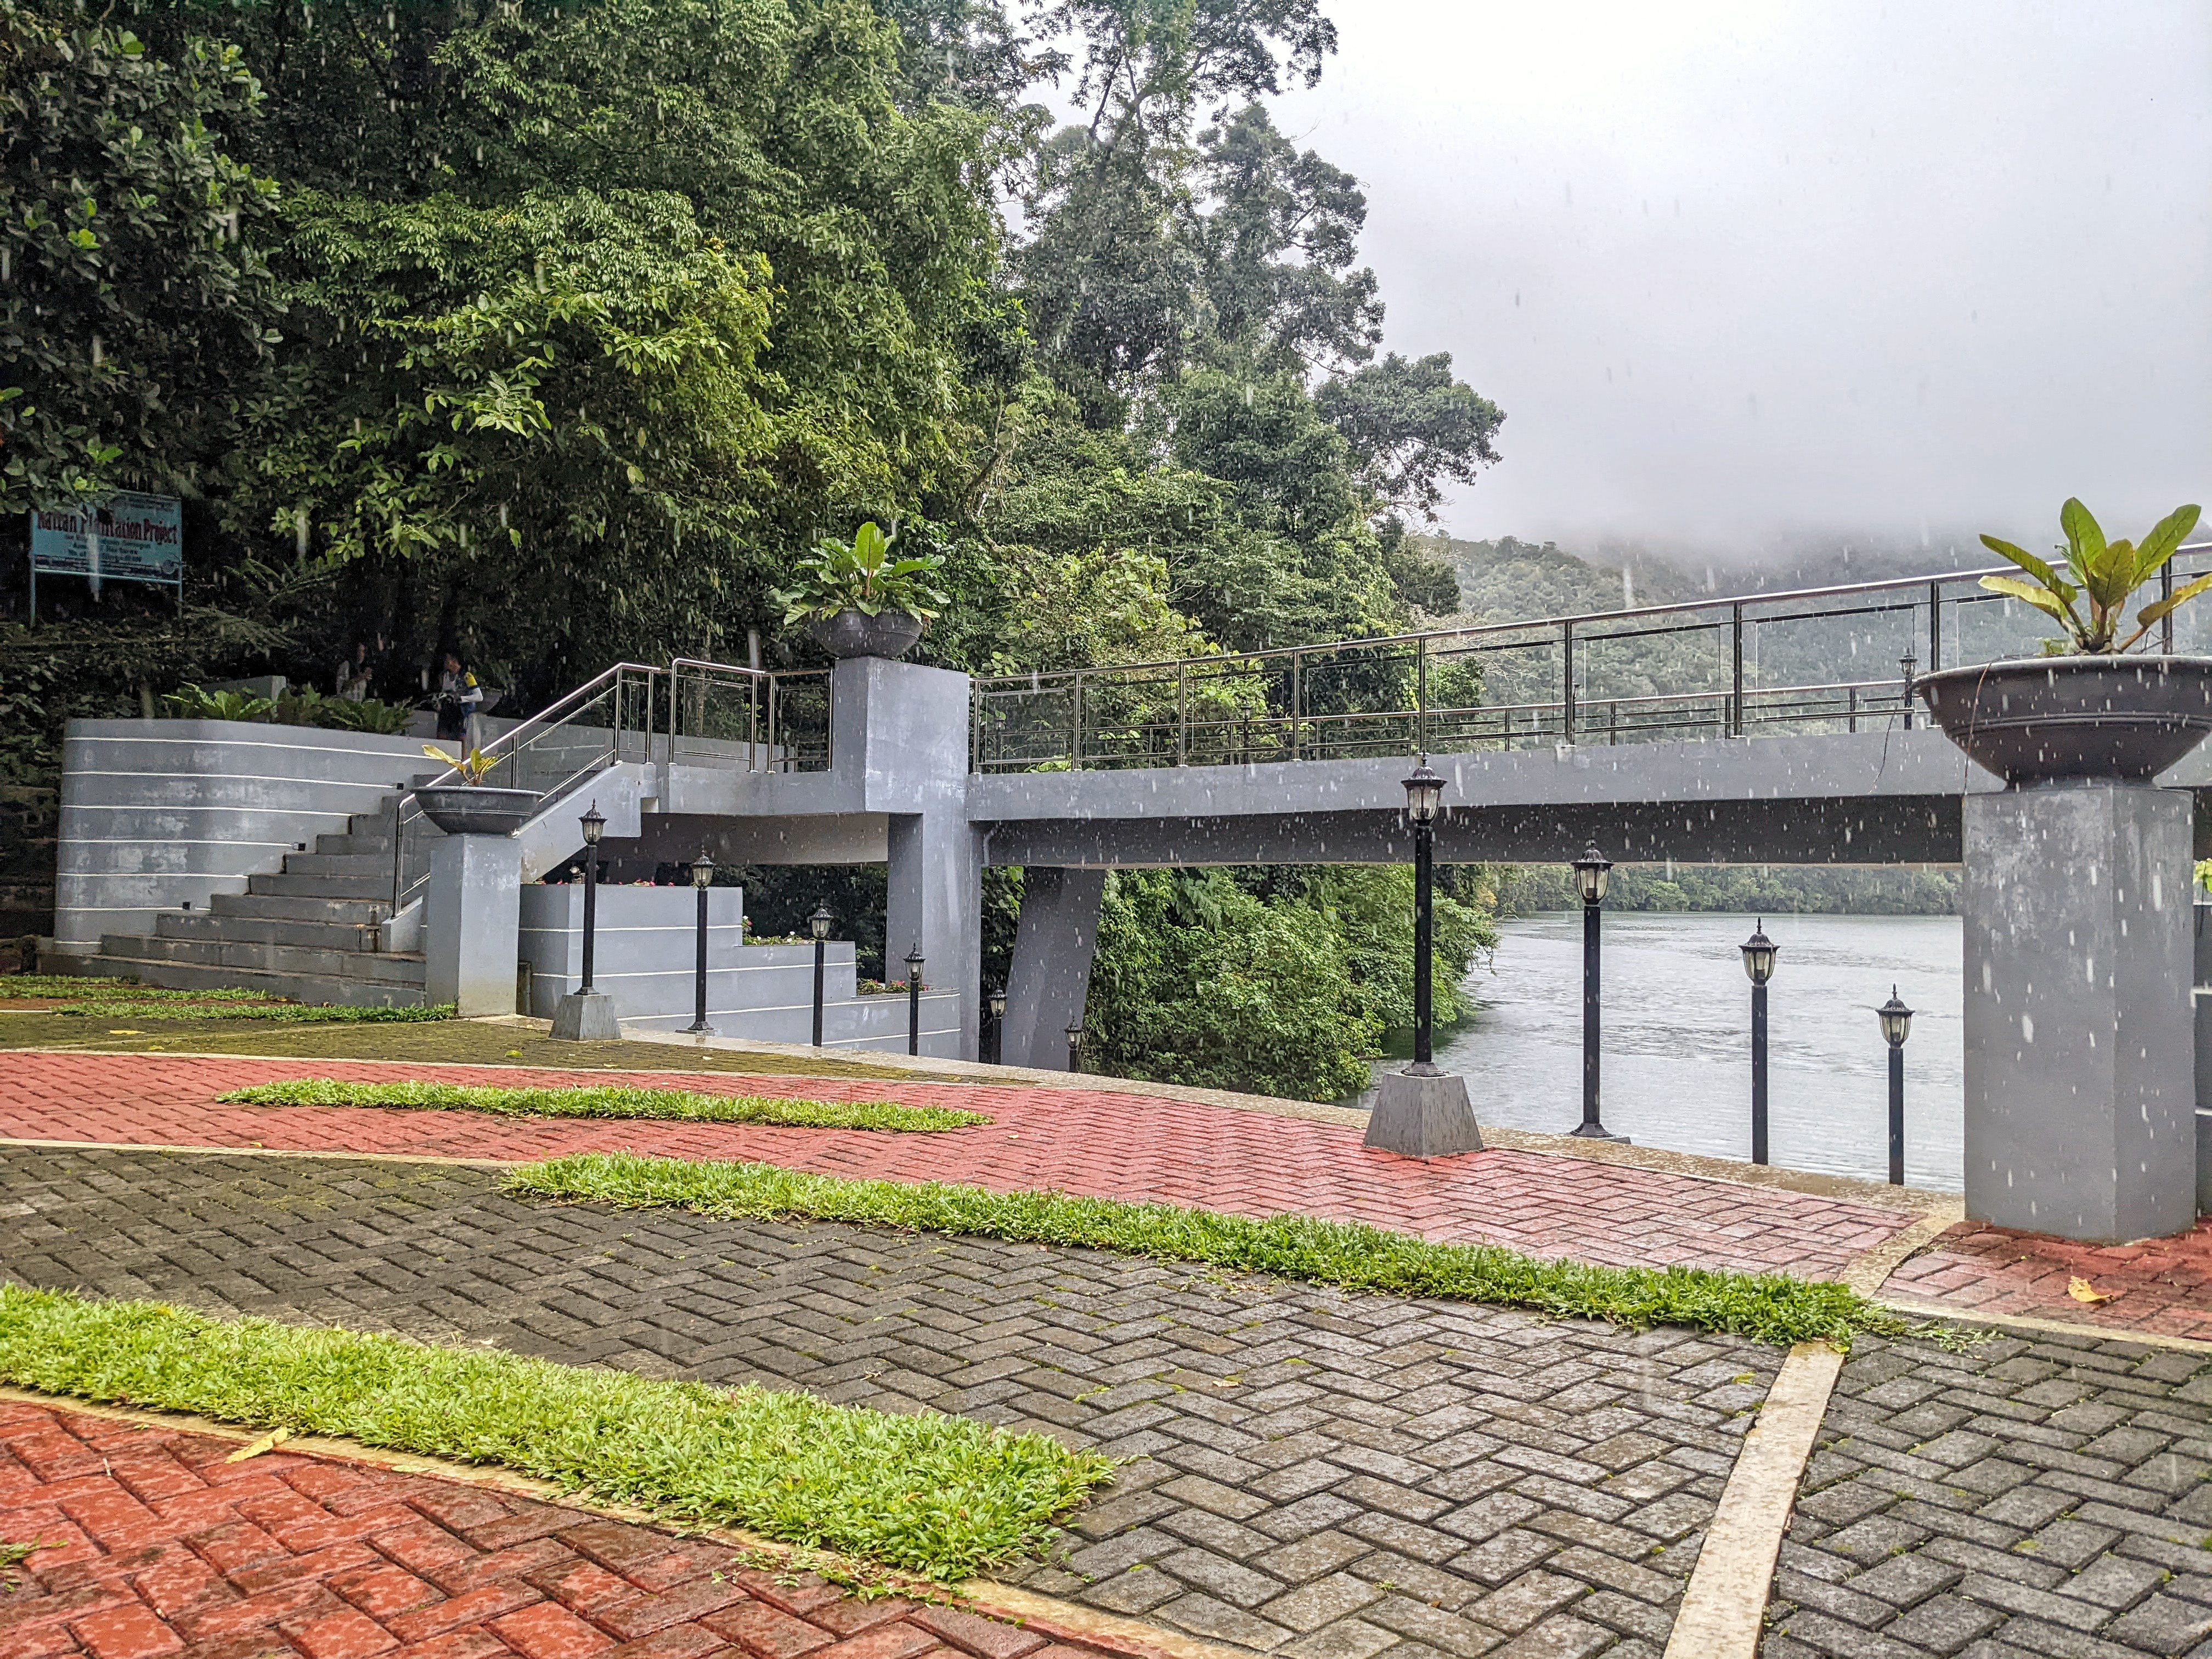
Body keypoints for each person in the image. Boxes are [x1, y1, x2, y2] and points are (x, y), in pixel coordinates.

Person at [434, 650, 483, 743]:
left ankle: (461, 757)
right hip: (446, 710)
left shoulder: (467, 677)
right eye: (447, 661)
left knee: (459, 738)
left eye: (452, 661)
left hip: (461, 711)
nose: (449, 663)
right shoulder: (444, 676)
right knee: (442, 735)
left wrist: (462, 699)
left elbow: (479, 697)